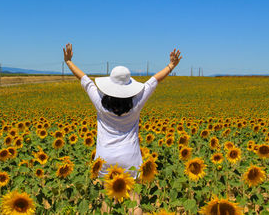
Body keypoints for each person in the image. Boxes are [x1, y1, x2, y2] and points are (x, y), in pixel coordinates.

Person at [62, 43, 182, 215]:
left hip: (105, 157)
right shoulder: (136, 103)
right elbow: (154, 80)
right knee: (134, 200)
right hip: (130, 157)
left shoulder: (100, 104)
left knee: (107, 200)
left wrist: (68, 61)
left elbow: (85, 80)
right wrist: (171, 65)